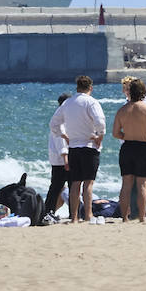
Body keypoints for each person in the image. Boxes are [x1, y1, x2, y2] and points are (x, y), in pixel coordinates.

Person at [49, 76, 106, 223]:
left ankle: (74, 217)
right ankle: (87, 215)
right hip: (89, 146)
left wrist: (63, 135)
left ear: (77, 87)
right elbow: (100, 122)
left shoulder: (67, 103)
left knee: (75, 183)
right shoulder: (91, 102)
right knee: (88, 183)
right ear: (90, 88)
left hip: (73, 147)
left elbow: (54, 123)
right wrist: (99, 136)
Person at [112, 78, 146, 223]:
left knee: (126, 184)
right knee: (142, 184)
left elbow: (115, 133)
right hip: (142, 146)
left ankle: (124, 217)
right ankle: (141, 217)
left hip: (127, 147)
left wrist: (125, 135)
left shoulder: (122, 110)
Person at [44, 92, 72, 220]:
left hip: (58, 159)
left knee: (58, 187)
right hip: (62, 160)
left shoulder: (61, 116)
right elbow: (61, 141)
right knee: (58, 187)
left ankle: (49, 211)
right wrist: (66, 158)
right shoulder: (61, 118)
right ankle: (48, 212)